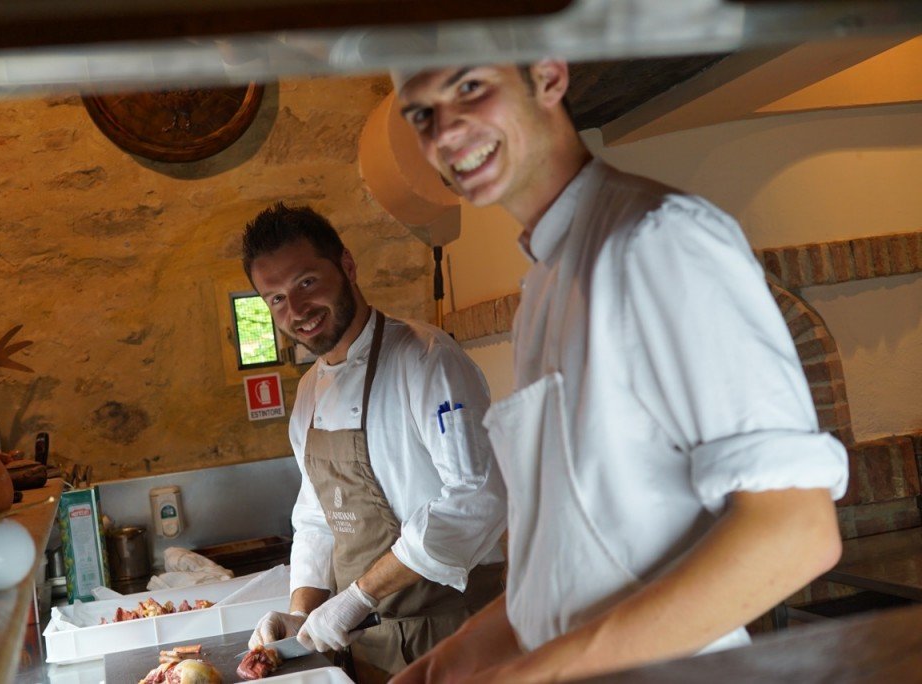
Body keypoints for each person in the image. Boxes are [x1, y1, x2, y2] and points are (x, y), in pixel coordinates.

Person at [390, 60, 849, 683]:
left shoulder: (658, 240)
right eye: (422, 115)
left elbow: (796, 531)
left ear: (548, 77)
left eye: (470, 88)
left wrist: (536, 674)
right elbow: (573, 566)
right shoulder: (548, 281)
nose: (445, 132)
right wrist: (445, 663)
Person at [241, 203, 506, 682]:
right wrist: (302, 613)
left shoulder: (426, 360)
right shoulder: (307, 396)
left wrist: (359, 595)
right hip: (369, 650)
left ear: (346, 266)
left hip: (455, 638)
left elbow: (478, 497)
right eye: (276, 299)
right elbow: (319, 519)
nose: (296, 311)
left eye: (306, 283)